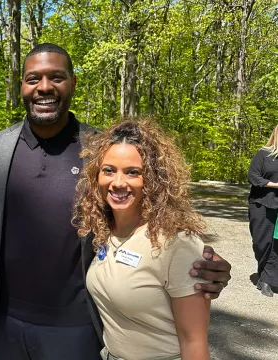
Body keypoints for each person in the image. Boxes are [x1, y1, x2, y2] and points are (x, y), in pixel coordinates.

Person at [0, 43, 232, 360]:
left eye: (56, 77)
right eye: (33, 79)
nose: (44, 87)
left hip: (77, 328)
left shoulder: (102, 151)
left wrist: (204, 264)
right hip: (3, 325)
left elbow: (149, 216)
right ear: (21, 85)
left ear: (72, 83)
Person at [75, 119, 210, 360]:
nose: (118, 182)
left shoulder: (176, 244)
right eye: (109, 170)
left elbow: (194, 343)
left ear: (154, 179)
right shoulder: (104, 232)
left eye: (133, 172)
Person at [248, 124, 278, 297]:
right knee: (262, 242)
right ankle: (263, 273)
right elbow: (253, 176)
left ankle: (267, 279)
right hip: (262, 204)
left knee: (276, 243)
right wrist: (275, 185)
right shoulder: (264, 154)